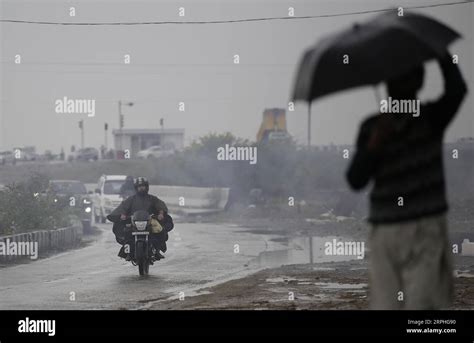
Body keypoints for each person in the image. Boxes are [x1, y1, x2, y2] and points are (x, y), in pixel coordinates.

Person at [346, 51, 467, 310]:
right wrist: (375, 143)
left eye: (405, 77)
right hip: (387, 232)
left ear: (418, 82)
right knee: (388, 305)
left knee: (424, 307)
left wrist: (442, 55)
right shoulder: (371, 127)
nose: (398, 84)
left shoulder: (430, 118)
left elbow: (457, 91)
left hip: (424, 228)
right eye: (395, 79)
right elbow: (355, 179)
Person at [107, 177, 174, 262]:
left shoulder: (152, 198)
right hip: (133, 222)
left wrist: (161, 213)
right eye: (139, 186)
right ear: (136, 188)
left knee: (159, 231)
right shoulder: (131, 199)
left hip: (150, 222)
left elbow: (160, 205)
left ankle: (156, 250)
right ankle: (127, 252)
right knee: (126, 233)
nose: (141, 188)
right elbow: (123, 207)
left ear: (147, 187)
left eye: (143, 186)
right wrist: (122, 215)